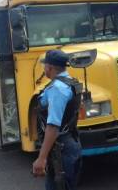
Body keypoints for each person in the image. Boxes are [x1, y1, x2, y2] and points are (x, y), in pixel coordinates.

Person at [32, 50, 83, 190]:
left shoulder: (57, 89)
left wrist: (41, 158)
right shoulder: (71, 83)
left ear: (50, 67)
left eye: (45, 66)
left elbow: (53, 126)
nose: (44, 68)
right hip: (70, 141)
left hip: (61, 148)